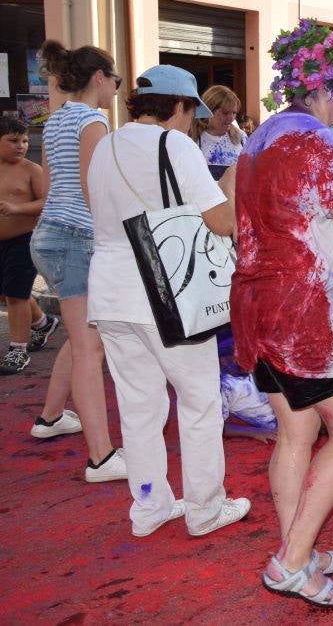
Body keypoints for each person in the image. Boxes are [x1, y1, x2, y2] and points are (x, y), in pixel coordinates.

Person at [237, 19, 333, 607]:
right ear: (327, 85)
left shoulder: (257, 138)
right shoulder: (321, 143)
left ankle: (297, 543)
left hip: (253, 308)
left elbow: (225, 216)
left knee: (297, 433)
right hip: (304, 319)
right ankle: (291, 562)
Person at [86, 64, 250, 537]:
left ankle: (149, 507)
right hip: (166, 291)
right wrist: (236, 180)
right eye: (190, 112)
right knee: (198, 400)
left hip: (110, 291)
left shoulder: (106, 145)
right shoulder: (174, 144)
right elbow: (221, 222)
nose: (190, 122)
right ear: (179, 106)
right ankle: (204, 509)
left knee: (139, 407)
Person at [28, 40, 127, 482]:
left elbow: (50, 190)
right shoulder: (92, 121)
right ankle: (101, 457)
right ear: (98, 78)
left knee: (79, 332)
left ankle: (50, 417)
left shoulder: (54, 122)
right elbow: (95, 192)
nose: (117, 89)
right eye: (115, 79)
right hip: (75, 238)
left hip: (48, 236)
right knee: (92, 347)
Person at [0, 118, 58, 374]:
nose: (21, 146)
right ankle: (42, 322)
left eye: (24, 140)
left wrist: (18, 208)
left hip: (23, 240)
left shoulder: (32, 170)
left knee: (15, 293)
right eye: (13, 141)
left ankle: (17, 350)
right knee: (10, 292)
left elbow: (47, 201)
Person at [190, 84, 247, 179]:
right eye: (225, 113)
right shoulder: (193, 139)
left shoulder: (241, 137)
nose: (231, 118)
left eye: (234, 113)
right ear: (209, 111)